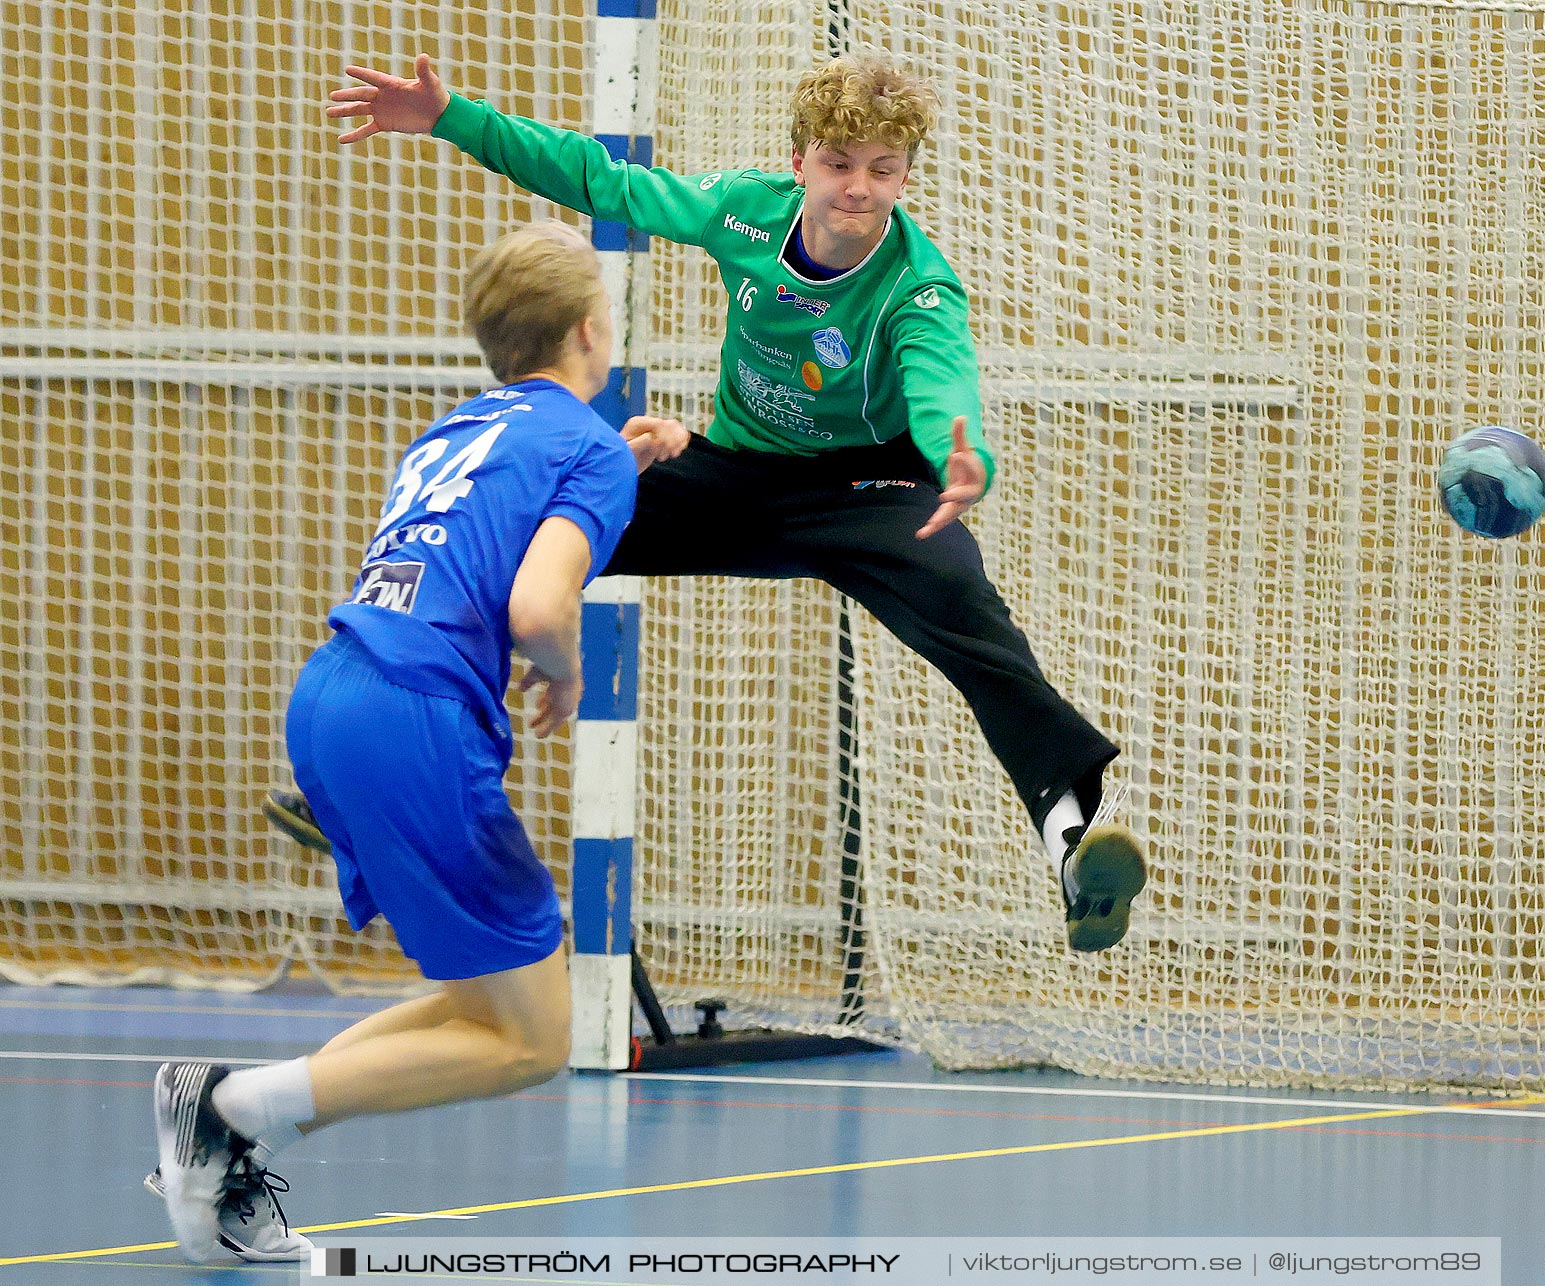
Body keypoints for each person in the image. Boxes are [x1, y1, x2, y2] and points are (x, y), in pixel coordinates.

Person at [291, 50, 1149, 953]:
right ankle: (361, 776)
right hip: (733, 475)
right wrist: (454, 118)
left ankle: (1074, 844)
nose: (858, 189)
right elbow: (603, 180)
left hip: (871, 492)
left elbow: (941, 376)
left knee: (971, 615)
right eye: (839, 164)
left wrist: (959, 450)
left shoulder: (917, 282)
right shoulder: (745, 210)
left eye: (882, 172)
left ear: (905, 177)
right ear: (801, 163)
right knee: (515, 538)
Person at [149, 222, 688, 1262]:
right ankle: (224, 1107)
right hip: (416, 715)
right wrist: (568, 674)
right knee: (538, 1038)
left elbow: (486, 527)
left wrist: (603, 467)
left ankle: (225, 1139)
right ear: (592, 331)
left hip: (333, 689)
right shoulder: (583, 444)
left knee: (488, 997)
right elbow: (537, 603)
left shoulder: (453, 429)